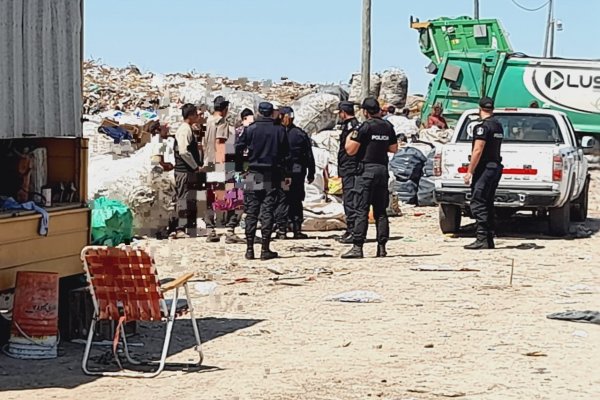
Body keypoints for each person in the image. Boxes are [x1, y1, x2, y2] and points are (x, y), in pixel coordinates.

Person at [342, 97, 398, 259]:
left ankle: (357, 247)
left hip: (366, 171)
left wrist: (348, 138)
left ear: (365, 112)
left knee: (362, 210)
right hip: (382, 170)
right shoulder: (387, 126)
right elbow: (394, 149)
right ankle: (381, 247)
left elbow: (350, 150)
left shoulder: (364, 127)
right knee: (381, 211)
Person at [236, 102, 290, 260]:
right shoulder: (279, 130)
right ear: (271, 113)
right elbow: (286, 154)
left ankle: (249, 248)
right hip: (272, 174)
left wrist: (242, 167)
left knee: (251, 211)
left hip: (252, 172)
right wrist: (286, 173)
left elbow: (238, 148)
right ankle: (265, 248)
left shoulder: (250, 129)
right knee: (267, 210)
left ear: (259, 112)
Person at [463, 97, 504, 250]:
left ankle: (482, 237)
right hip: (495, 167)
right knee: (487, 202)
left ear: (479, 108)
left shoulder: (482, 127)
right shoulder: (498, 125)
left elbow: (478, 150)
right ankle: (488, 238)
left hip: (485, 168)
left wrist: (469, 171)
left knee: (478, 202)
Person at [274, 106, 315, 239]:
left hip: (283, 173)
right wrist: (311, 172)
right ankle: (297, 229)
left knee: (283, 199)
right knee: (296, 200)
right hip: (298, 173)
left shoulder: (277, 133)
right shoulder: (300, 133)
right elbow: (309, 155)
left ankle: (281, 230)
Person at [202, 95, 235, 243]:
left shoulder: (208, 121)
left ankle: (210, 229)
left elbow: (204, 143)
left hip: (208, 162)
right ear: (225, 109)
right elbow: (220, 143)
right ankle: (230, 230)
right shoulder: (221, 122)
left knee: (209, 197)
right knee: (232, 195)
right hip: (218, 164)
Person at [173, 103, 203, 238]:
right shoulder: (184, 130)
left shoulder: (188, 129)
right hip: (184, 171)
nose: (198, 116)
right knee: (184, 198)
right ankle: (180, 228)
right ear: (190, 115)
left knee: (189, 198)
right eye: (196, 114)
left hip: (188, 171)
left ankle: (189, 227)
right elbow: (184, 152)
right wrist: (195, 166)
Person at [336, 101, 361, 244]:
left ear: (343, 113)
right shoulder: (349, 126)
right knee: (349, 199)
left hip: (350, 168)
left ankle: (353, 230)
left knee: (351, 200)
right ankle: (350, 229)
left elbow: (350, 150)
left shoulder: (352, 127)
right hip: (348, 167)